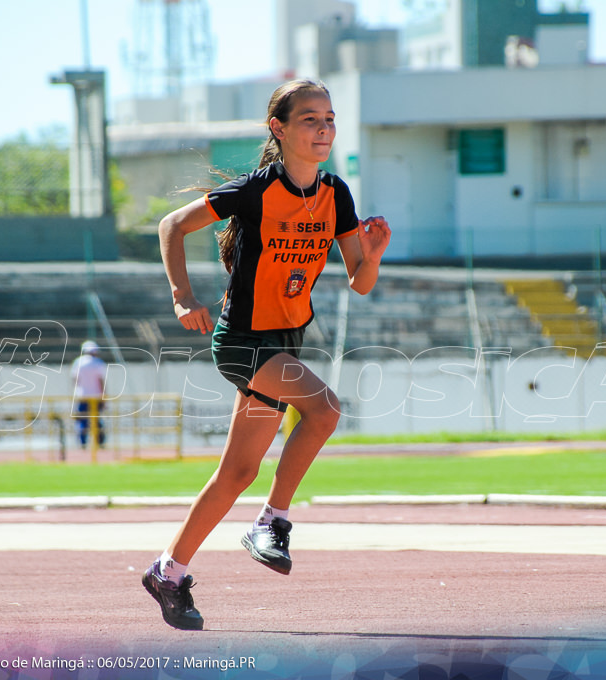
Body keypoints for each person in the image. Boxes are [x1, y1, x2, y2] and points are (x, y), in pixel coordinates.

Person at [142, 79, 391, 630]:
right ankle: (273, 521)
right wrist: (183, 296)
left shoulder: (336, 194)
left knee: (237, 472)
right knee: (324, 409)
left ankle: (169, 571)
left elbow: (360, 281)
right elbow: (172, 226)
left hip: (286, 340)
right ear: (278, 128)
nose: (323, 128)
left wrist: (371, 254)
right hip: (242, 340)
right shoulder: (256, 189)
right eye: (309, 119)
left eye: (328, 118)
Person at [70, 340, 107, 447]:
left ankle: (82, 442)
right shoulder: (98, 363)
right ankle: (99, 442)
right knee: (96, 420)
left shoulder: (78, 363)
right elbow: (101, 382)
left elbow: (75, 380)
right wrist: (104, 397)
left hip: (82, 396)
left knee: (82, 420)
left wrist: (76, 393)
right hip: (96, 396)